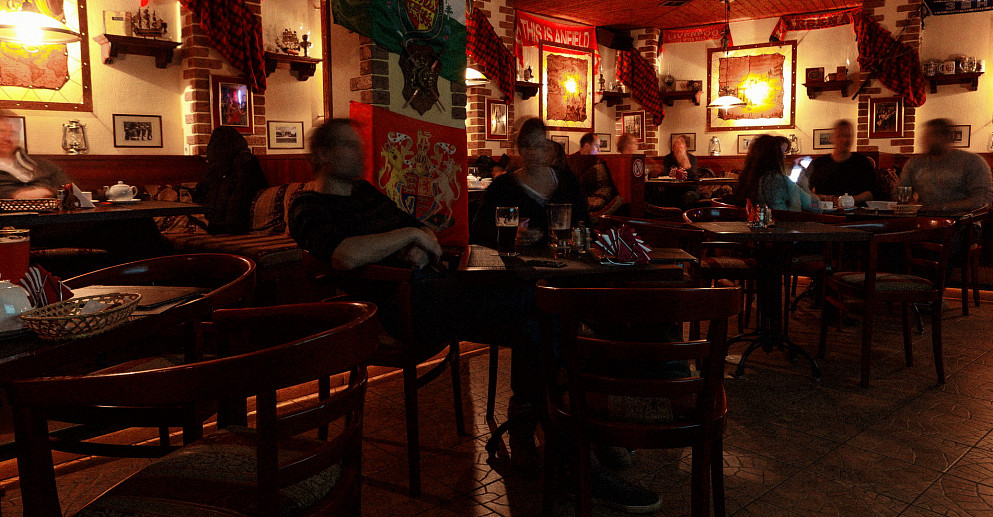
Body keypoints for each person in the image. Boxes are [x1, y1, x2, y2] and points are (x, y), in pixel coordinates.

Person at [291, 119, 658, 513]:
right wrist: (409, 240)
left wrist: (416, 241)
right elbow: (344, 255)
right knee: (544, 305)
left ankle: (565, 449)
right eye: (349, 145)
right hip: (398, 308)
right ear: (323, 154)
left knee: (538, 321)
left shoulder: (365, 192)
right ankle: (584, 442)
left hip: (433, 289)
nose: (361, 151)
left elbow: (423, 229)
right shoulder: (307, 206)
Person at [471, 118, 590, 249]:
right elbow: (479, 231)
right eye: (526, 145)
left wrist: (546, 237)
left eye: (538, 145)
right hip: (517, 259)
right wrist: (512, 234)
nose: (532, 152)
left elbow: (585, 226)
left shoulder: (567, 182)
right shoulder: (502, 186)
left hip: (565, 258)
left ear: (547, 148)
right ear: (519, 149)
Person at [898, 118, 993, 213]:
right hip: (924, 218)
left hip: (962, 219)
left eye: (934, 135)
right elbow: (900, 191)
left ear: (948, 137)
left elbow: (983, 200)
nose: (927, 139)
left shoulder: (972, 161)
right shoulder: (914, 163)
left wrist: (941, 208)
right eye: (926, 135)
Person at [194, 126, 268, 235]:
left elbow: (239, 197)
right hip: (225, 220)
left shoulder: (241, 162)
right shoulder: (234, 162)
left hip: (231, 223)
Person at [734, 134, 818, 212]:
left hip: (749, 221)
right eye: (782, 151)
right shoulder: (776, 179)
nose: (784, 156)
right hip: (781, 221)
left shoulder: (746, 176)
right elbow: (811, 205)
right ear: (774, 155)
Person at [807, 120, 876, 205]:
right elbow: (806, 191)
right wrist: (828, 199)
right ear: (832, 138)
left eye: (848, 136)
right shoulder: (819, 163)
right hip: (825, 211)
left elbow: (872, 193)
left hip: (855, 211)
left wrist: (847, 201)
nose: (845, 140)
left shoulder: (862, 163)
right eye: (840, 136)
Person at [0, 116, 69, 199]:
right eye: (1, 131)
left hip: (49, 205)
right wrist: (13, 195)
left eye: (14, 133)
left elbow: (70, 192)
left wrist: (49, 192)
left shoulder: (44, 165)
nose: (8, 137)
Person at [573, 132, 624, 215]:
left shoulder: (597, 161)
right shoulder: (573, 161)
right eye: (597, 146)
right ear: (587, 146)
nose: (599, 150)